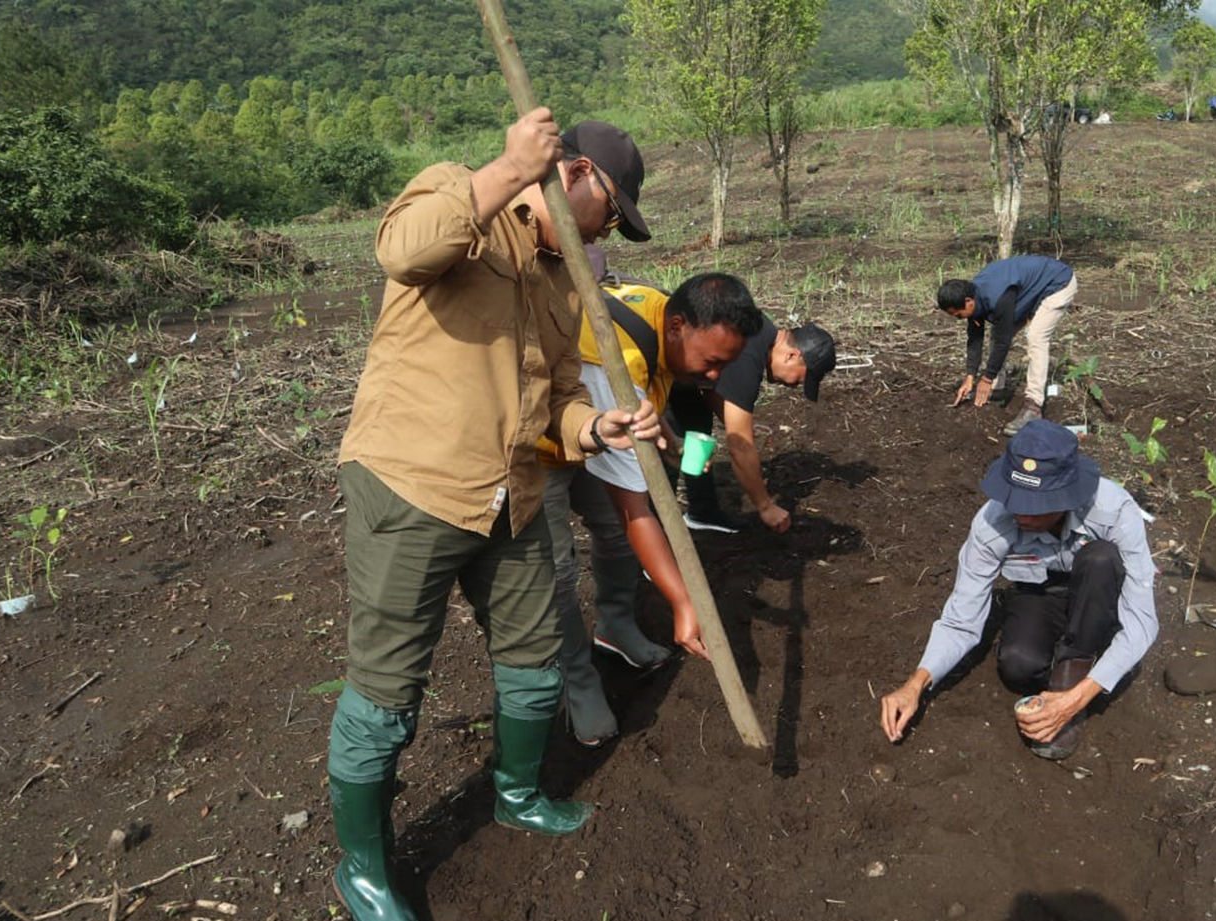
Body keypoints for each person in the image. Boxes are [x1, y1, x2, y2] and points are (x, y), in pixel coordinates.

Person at [328, 112, 662, 921]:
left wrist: (596, 428)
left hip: (508, 495)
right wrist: (509, 170)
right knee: (388, 690)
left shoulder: (559, 278)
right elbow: (402, 250)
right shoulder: (456, 193)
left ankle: (517, 794)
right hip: (413, 486)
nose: (609, 229)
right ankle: (362, 868)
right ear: (575, 174)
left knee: (533, 653)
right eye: (612, 210)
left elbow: (559, 401)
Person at [541, 271, 763, 746]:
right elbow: (635, 509)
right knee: (555, 567)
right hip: (532, 445)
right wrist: (684, 603)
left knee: (614, 536)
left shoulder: (660, 314)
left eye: (725, 366)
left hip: (590, 425)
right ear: (680, 325)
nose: (714, 377)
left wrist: (673, 441)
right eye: (710, 362)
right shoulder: (613, 363)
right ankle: (577, 678)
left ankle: (616, 625)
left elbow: (650, 391)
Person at [879, 420, 1157, 760]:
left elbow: (1142, 620)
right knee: (1017, 665)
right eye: (1016, 499)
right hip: (1042, 592)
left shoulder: (1113, 510)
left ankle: (1077, 663)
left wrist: (1074, 699)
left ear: (1066, 495)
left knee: (1100, 559)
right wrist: (916, 684)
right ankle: (1067, 654)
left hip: (1099, 594)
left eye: (1035, 504)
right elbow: (961, 620)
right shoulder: (992, 524)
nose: (1021, 513)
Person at [665, 315, 837, 533]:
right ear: (792, 355)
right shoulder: (748, 356)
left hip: (682, 374)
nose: (794, 385)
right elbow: (739, 447)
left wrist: (734, 421)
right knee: (664, 453)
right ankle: (642, 552)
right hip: (654, 367)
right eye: (801, 378)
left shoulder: (759, 330)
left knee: (697, 424)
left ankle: (702, 511)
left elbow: (712, 386)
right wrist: (765, 506)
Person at [938, 255, 1077, 436]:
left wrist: (986, 378)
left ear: (968, 301)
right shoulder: (974, 296)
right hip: (1029, 287)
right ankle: (998, 388)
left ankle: (1033, 406)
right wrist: (970, 376)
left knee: (1036, 336)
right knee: (998, 332)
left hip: (1057, 282)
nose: (959, 318)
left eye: (958, 315)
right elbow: (975, 338)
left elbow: (1005, 340)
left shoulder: (997, 297)